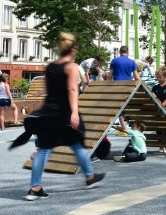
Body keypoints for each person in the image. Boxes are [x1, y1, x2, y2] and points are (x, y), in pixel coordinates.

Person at [20, 33, 105, 200]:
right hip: (64, 113)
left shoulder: (50, 67)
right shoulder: (71, 67)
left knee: (43, 150)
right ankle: (89, 176)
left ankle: (35, 187)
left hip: (48, 113)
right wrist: (74, 113)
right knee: (77, 144)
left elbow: (48, 90)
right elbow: (72, 90)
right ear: (72, 49)